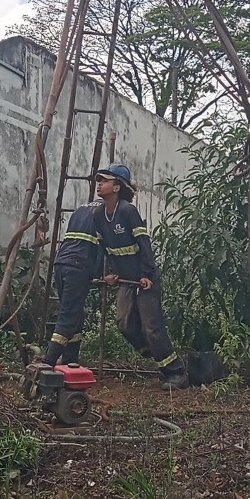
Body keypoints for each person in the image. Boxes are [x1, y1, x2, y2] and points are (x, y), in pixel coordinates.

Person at [93, 163, 188, 391]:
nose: (99, 184)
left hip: (145, 280)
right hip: (126, 280)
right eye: (99, 181)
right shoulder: (98, 215)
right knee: (124, 324)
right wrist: (110, 274)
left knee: (152, 327)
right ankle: (157, 354)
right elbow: (104, 249)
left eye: (104, 180)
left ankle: (176, 372)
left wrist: (147, 275)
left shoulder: (127, 211)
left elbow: (144, 245)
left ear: (117, 187)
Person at [41, 201, 101, 368]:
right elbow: (104, 246)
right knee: (69, 316)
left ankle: (70, 359)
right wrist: (101, 273)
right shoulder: (106, 212)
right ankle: (48, 361)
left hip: (61, 263)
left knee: (75, 315)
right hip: (78, 266)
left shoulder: (82, 208)